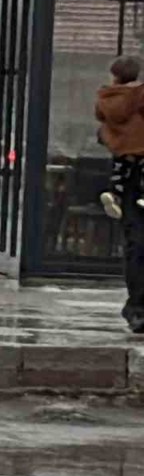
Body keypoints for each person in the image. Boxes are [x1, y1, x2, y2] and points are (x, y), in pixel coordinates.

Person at [94, 54, 144, 334]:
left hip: (125, 172)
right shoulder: (140, 97)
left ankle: (136, 307)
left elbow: (103, 134)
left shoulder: (107, 100)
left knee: (135, 243)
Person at [96, 55, 144, 221]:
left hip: (118, 146)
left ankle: (115, 194)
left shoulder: (106, 97)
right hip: (139, 144)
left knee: (120, 170)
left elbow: (100, 116)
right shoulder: (139, 93)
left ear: (115, 76)